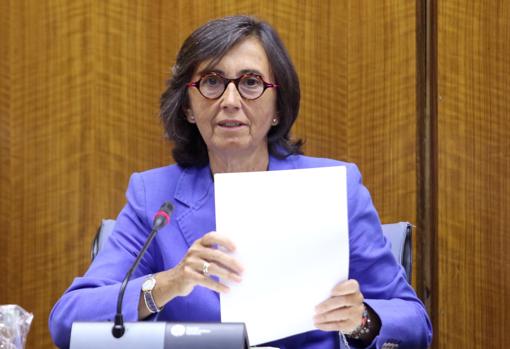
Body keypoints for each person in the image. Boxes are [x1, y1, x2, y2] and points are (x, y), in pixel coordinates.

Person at [49, 15, 432, 349]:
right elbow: (67, 321)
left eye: (250, 83)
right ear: (188, 107)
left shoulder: (334, 188)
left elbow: (414, 323)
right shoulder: (154, 196)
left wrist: (361, 320)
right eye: (212, 82)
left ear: (278, 108)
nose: (230, 100)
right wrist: (165, 285)